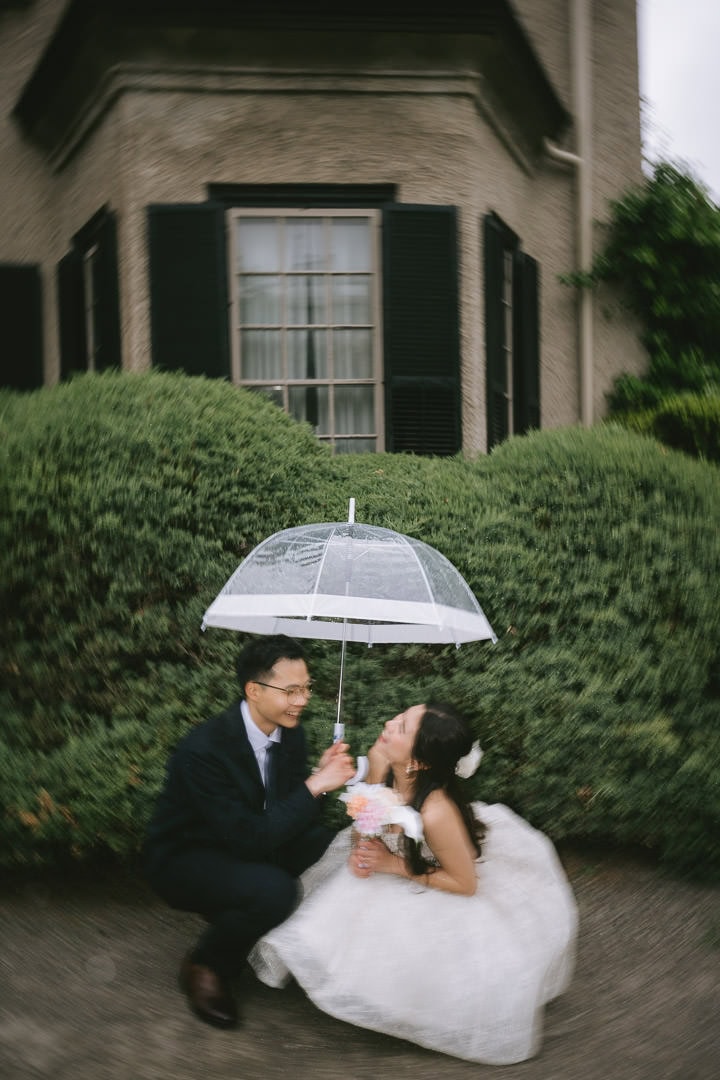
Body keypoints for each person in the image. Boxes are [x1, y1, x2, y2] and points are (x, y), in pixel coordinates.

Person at [249, 701, 578, 1066]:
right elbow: (366, 825)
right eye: (400, 716)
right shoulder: (380, 756)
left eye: (402, 726)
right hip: (397, 855)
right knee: (345, 900)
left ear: (419, 762)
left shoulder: (437, 811)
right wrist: (363, 851)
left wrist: (395, 864)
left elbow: (465, 883)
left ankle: (412, 1005)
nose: (390, 722)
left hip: (438, 876)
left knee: (414, 945)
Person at [143, 634, 355, 1029]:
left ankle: (316, 947)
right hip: (186, 857)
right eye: (291, 690)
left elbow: (292, 815)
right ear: (253, 690)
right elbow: (248, 837)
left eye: (306, 688)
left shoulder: (292, 734)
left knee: (333, 847)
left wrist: (318, 779)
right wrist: (315, 786)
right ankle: (206, 964)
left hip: (251, 839)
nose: (303, 700)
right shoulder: (203, 750)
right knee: (274, 890)